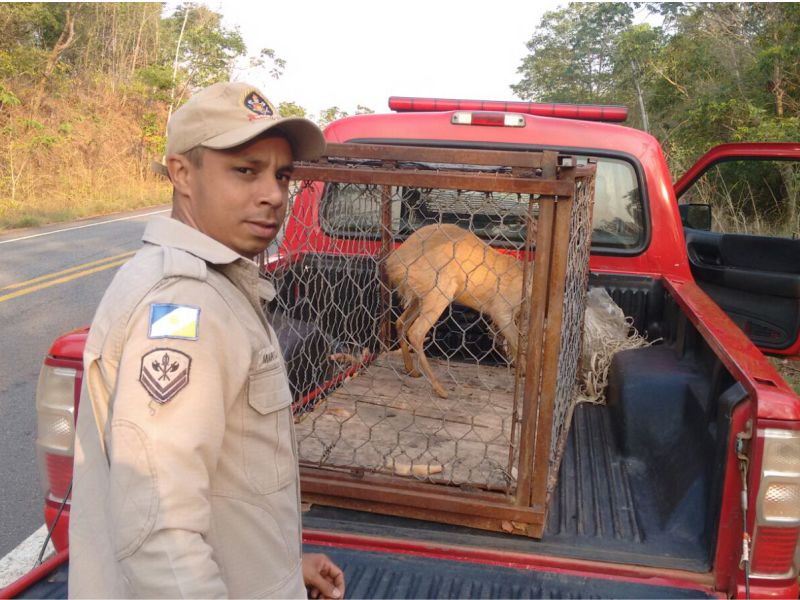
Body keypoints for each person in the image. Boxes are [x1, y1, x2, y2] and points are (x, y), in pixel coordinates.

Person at [68, 81, 345, 599]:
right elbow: (159, 533)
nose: (273, 194)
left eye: (282, 175)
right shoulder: (183, 308)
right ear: (181, 174)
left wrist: (282, 568)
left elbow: (225, 488)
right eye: (245, 170)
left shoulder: (218, 283)